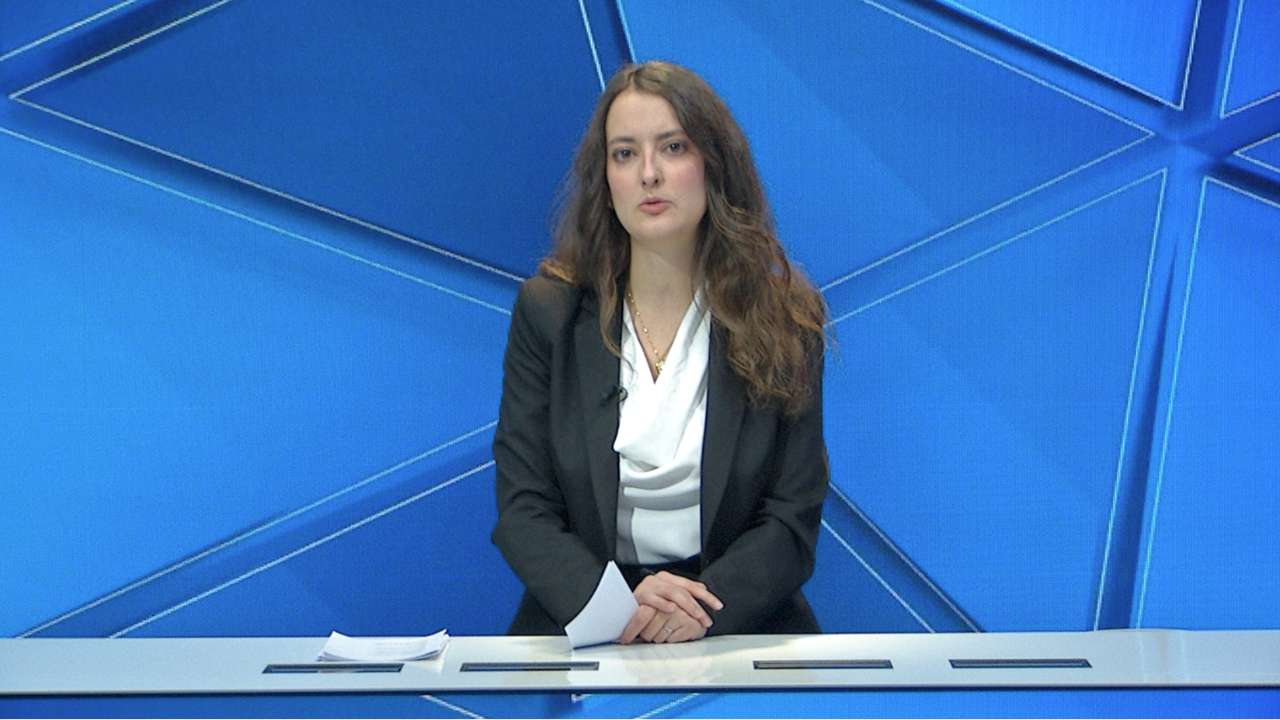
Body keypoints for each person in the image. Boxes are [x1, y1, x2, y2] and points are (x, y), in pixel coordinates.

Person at [492, 61, 829, 645]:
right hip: (587, 618)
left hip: (734, 620)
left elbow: (791, 518)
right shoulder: (549, 313)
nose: (648, 173)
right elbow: (524, 509)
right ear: (606, 179)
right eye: (624, 154)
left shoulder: (783, 319)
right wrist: (616, 608)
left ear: (714, 165)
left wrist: (699, 610)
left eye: (673, 148)